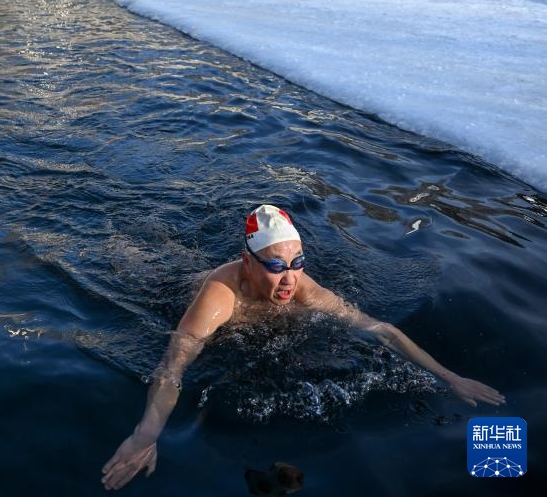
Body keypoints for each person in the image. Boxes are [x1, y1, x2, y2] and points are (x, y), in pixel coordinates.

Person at [102, 204, 505, 491]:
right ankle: (119, 240)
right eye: (276, 265)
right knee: (138, 266)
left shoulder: (303, 289)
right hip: (170, 292)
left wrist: (449, 376)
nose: (290, 278)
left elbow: (380, 330)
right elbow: (173, 366)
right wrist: (146, 434)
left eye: (297, 263)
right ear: (247, 263)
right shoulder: (220, 298)